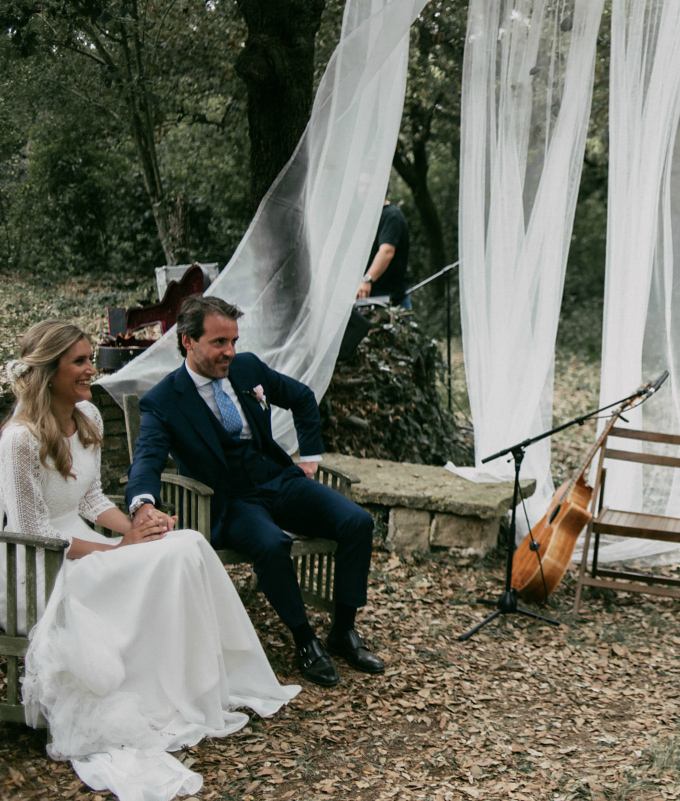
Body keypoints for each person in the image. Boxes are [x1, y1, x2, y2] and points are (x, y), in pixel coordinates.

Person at [0, 320, 300, 801]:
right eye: (79, 362)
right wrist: (119, 549)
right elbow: (34, 532)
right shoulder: (18, 440)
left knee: (185, 545)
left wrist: (142, 524)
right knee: (162, 557)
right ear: (48, 371)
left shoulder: (88, 417)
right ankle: (159, 684)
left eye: (88, 359)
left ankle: (198, 680)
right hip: (43, 567)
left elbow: (92, 499)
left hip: (86, 545)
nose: (90, 371)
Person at [126, 295, 385, 687]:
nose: (230, 351)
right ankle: (305, 641)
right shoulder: (164, 401)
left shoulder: (246, 369)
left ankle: (343, 630)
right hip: (229, 501)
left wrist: (310, 456)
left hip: (279, 481)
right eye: (218, 343)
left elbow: (301, 398)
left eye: (233, 341)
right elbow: (146, 458)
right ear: (188, 341)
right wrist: (143, 502)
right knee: (271, 543)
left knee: (357, 522)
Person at [357, 200, 410, 308]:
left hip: (391, 300)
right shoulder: (366, 216)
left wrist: (367, 279)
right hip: (368, 300)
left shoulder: (391, 215)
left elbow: (387, 252)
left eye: (366, 185)